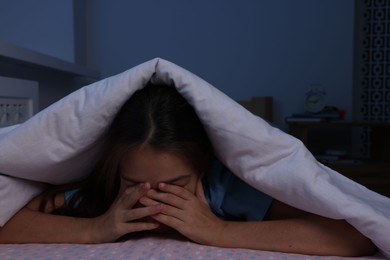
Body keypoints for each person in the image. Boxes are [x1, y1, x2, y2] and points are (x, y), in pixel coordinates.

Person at [0, 83, 377, 256]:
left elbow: (352, 236)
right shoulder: (109, 194)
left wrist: (218, 230)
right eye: (134, 182)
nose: (153, 198)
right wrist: (98, 227)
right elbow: (7, 220)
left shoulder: (224, 187)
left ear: (203, 165)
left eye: (176, 183)